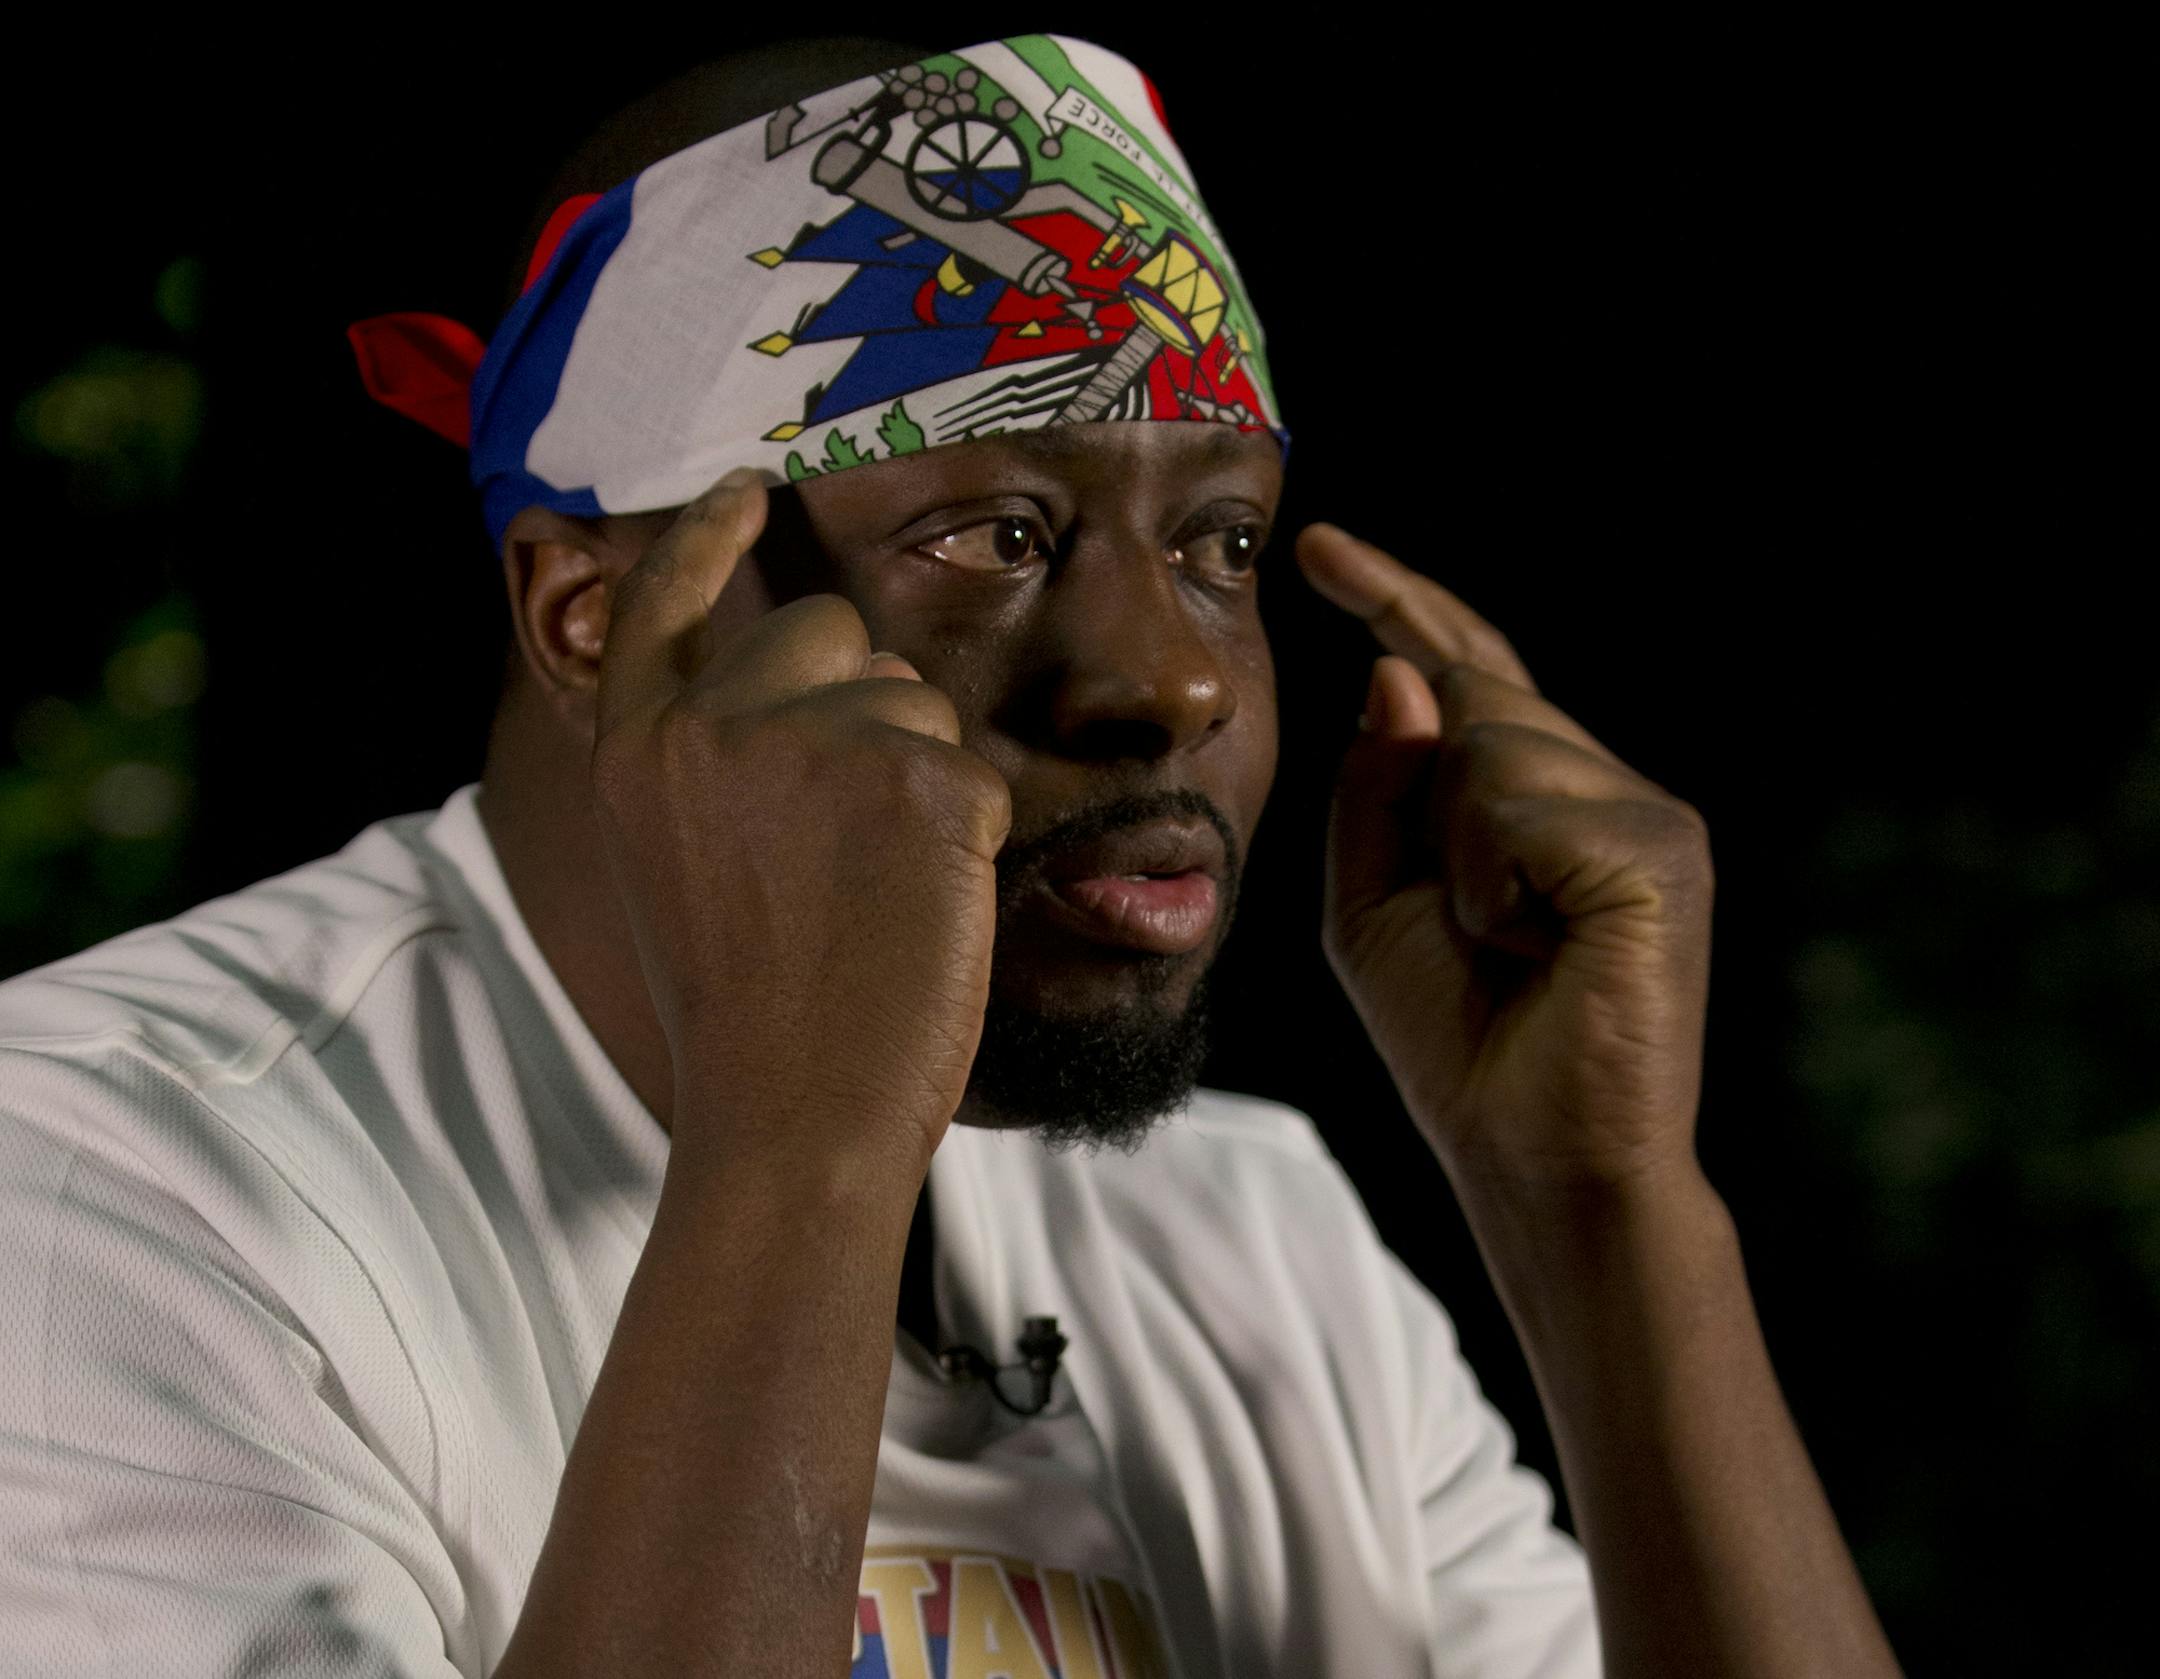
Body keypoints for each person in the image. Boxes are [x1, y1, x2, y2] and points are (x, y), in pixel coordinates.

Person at [0, 33, 1902, 1679]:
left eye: (1221, 543)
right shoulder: (101, 1193)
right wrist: (809, 1150)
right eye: (992, 531)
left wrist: (1603, 1216)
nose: (1164, 680)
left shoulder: (1247, 1233)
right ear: (600, 623)